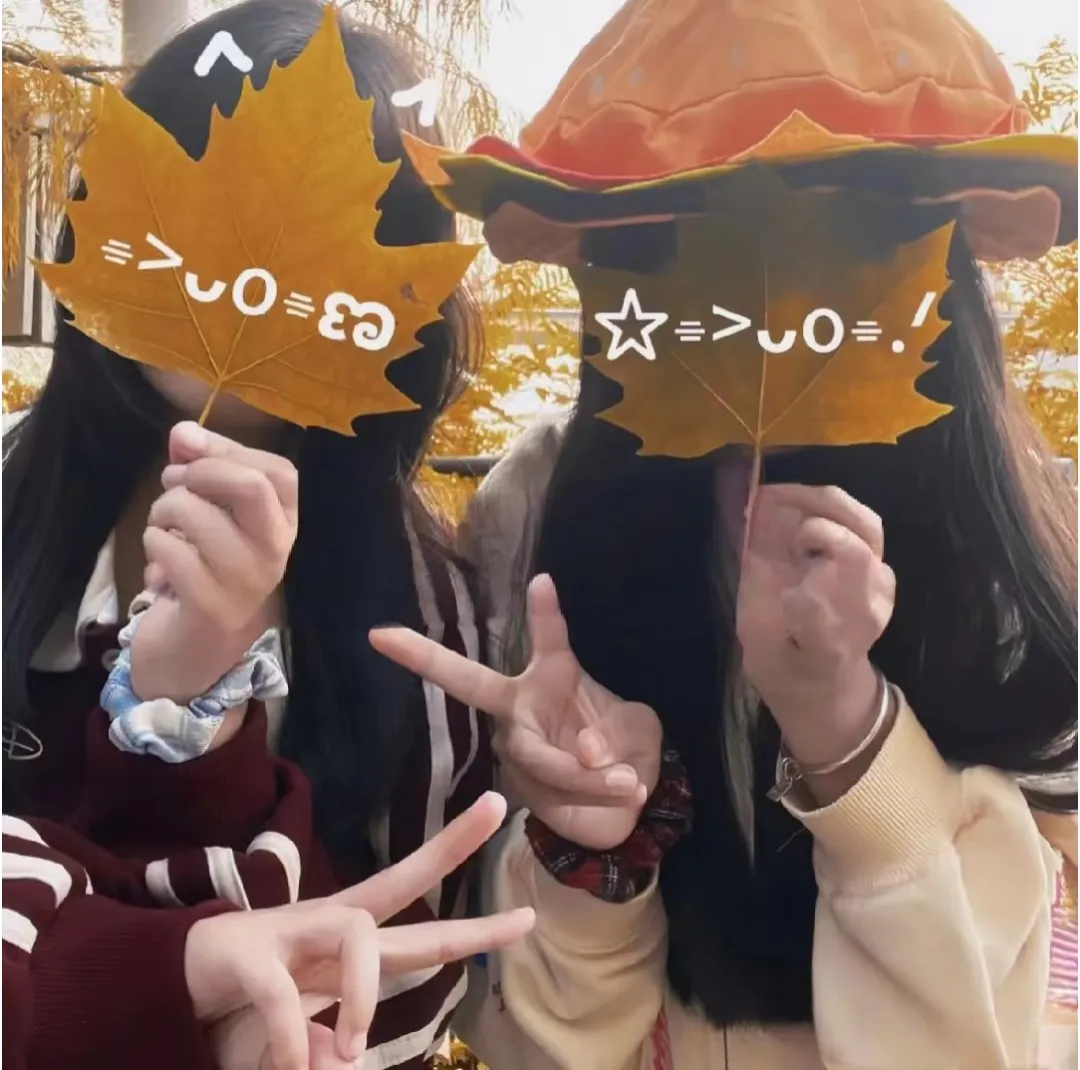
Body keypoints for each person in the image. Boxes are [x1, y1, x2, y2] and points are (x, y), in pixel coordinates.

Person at [370, 0, 1079, 1066]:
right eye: (692, 246)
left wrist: (846, 731)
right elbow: (540, 1038)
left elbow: (991, 1039)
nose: (761, 302)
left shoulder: (1007, 546)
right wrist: (590, 844)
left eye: (830, 242)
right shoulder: (541, 511)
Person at [2, 1, 505, 1066]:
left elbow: (393, 963)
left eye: (321, 249)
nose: (244, 277)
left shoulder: (429, 631)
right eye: (198, 216)